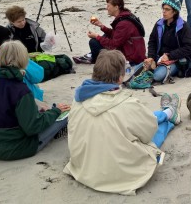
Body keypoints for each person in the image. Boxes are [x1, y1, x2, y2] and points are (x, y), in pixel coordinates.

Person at [63, 49, 181, 195]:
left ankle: (166, 113)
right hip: (116, 172)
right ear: (120, 77)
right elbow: (149, 131)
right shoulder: (126, 104)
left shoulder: (78, 99)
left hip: (83, 166)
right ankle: (169, 114)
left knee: (141, 119)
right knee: (153, 127)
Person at [0, 40, 69, 160]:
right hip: (17, 148)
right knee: (63, 116)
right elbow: (33, 127)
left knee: (38, 106)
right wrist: (55, 111)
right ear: (23, 59)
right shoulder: (20, 90)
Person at [143, 0, 191, 83]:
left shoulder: (183, 26)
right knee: (139, 69)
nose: (164, 11)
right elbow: (152, 42)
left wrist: (169, 56)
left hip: (177, 60)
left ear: (174, 11)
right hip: (159, 57)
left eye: (167, 9)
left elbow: (189, 48)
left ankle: (167, 70)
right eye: (163, 8)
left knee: (157, 76)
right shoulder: (159, 24)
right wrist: (151, 57)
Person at [80, 0, 146, 65]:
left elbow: (114, 44)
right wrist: (101, 26)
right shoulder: (125, 16)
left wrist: (97, 36)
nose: (107, 8)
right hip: (131, 48)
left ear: (116, 7)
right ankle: (92, 55)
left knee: (93, 42)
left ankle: (97, 61)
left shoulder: (124, 23)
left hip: (132, 55)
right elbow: (117, 34)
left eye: (108, 6)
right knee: (105, 36)